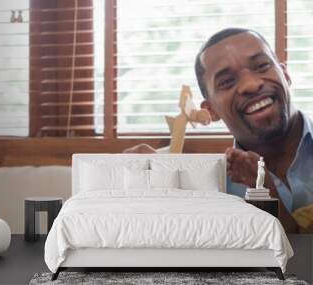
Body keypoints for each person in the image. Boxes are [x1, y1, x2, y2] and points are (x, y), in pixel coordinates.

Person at [124, 28, 313, 233]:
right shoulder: (213, 191)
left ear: (285, 74)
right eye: (227, 82)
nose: (250, 85)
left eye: (261, 66)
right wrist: (134, 185)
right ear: (211, 111)